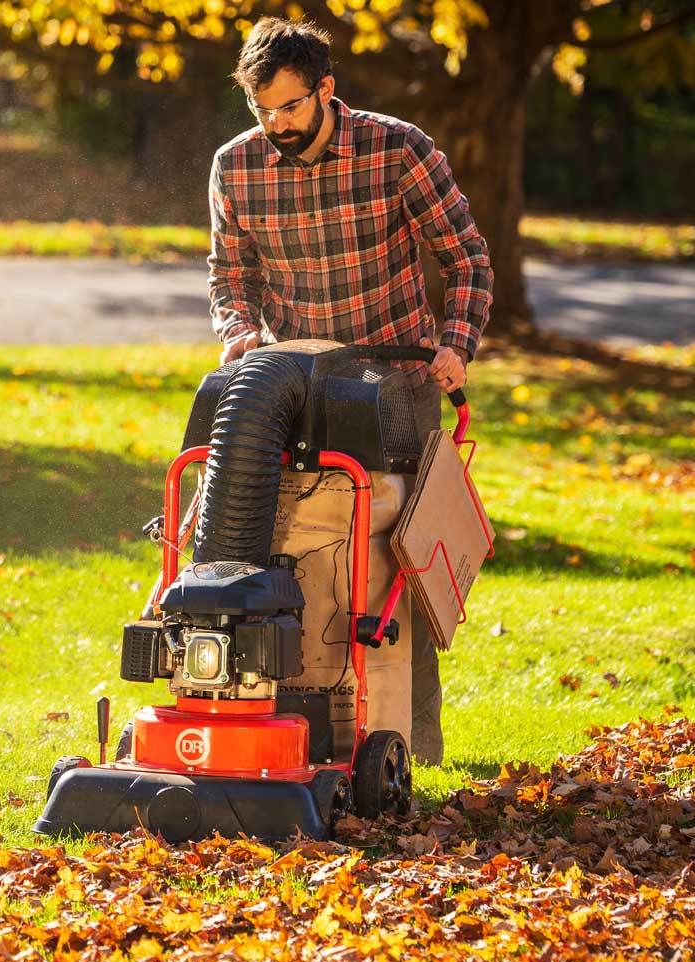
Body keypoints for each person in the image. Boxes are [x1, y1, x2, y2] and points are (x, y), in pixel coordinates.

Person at [207, 16, 494, 765]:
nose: (276, 125)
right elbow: (230, 278)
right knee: (290, 549)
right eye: (262, 110)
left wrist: (455, 346)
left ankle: (409, 747)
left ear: (326, 90)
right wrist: (238, 332)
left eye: (291, 108)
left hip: (398, 383)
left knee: (399, 569)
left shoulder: (397, 149)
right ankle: (297, 727)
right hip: (295, 390)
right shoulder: (236, 168)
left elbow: (466, 259)